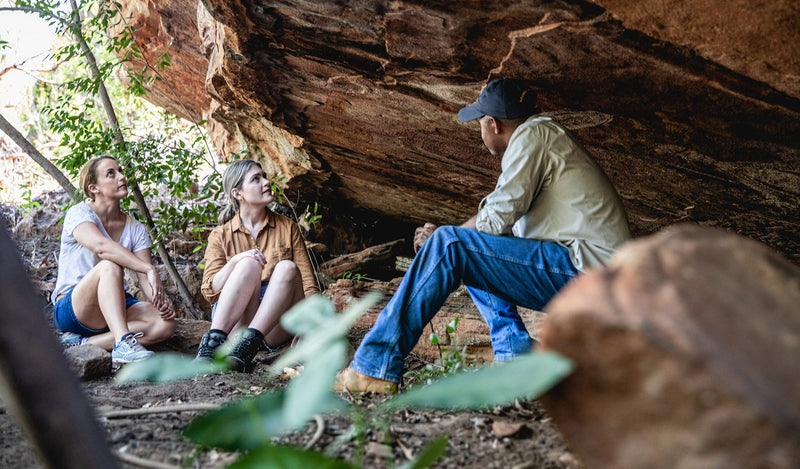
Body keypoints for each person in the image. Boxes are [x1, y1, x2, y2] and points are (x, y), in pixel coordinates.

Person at [334, 78, 632, 392]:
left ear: (493, 124)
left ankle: (374, 367)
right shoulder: (541, 138)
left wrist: (445, 241)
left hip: (590, 276)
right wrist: (446, 240)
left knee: (454, 246)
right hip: (590, 278)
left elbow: (494, 219)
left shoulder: (535, 134)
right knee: (464, 250)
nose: (481, 131)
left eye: (480, 123)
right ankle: (516, 358)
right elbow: (493, 238)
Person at [195, 159, 319, 371]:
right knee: (248, 263)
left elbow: (308, 283)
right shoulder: (220, 235)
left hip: (276, 324)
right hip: (237, 322)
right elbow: (209, 291)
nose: (266, 182)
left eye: (264, 176)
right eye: (256, 179)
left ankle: (248, 348)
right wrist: (235, 261)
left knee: (287, 267)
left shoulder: (288, 227)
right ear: (238, 193)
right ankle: (211, 346)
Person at [52, 155, 176, 363]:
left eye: (120, 171)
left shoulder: (135, 228)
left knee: (165, 323)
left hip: (114, 303)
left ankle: (82, 344)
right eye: (111, 173)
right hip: (73, 307)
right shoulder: (79, 214)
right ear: (94, 188)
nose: (121, 176)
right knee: (109, 265)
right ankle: (122, 342)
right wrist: (148, 269)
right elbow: (102, 248)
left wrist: (160, 300)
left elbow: (146, 281)